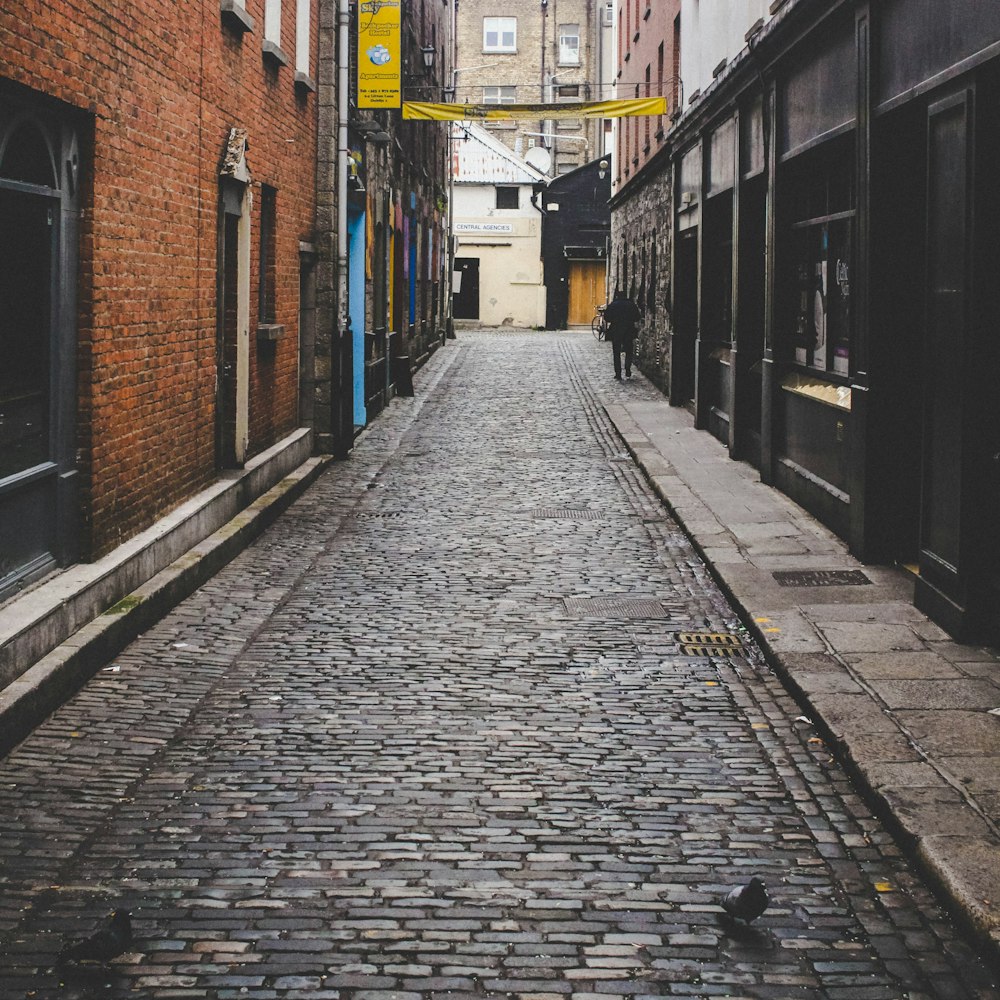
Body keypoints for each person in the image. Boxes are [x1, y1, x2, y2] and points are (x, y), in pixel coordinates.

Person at [602, 286, 642, 380]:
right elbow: (637, 317)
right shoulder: (631, 304)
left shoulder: (613, 305)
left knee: (616, 352)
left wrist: (615, 320)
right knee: (628, 350)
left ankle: (618, 373)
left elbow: (607, 317)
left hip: (616, 330)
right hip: (628, 330)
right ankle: (627, 368)